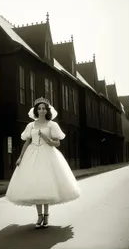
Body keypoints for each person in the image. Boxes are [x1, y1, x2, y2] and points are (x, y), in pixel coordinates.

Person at [5, 97, 80, 229]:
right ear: (36, 110)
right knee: (36, 185)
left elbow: (57, 143)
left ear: (47, 110)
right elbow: (27, 142)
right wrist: (20, 157)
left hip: (48, 154)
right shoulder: (31, 125)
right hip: (32, 155)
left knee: (47, 183)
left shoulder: (52, 125)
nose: (41, 110)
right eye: (39, 108)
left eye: (44, 108)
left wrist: (46, 138)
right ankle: (39, 216)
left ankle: (46, 215)